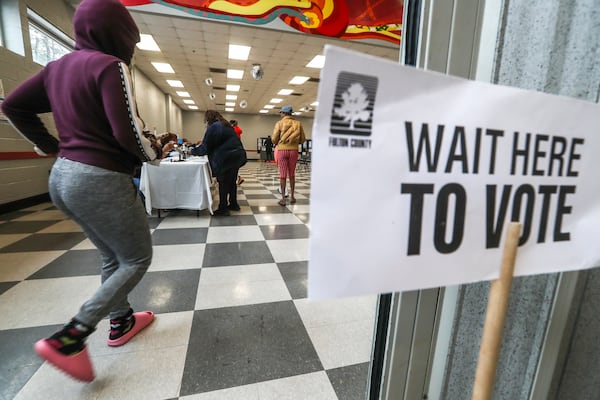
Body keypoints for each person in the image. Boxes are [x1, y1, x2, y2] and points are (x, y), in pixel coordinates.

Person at [0, 0, 161, 382]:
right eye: (130, 40)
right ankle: (72, 335)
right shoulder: (110, 65)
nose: (132, 49)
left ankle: (120, 321)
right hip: (100, 178)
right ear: (116, 34)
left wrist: (50, 146)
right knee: (136, 259)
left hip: (62, 177)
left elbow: (12, 105)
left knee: (111, 254)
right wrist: (153, 154)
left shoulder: (56, 68)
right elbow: (128, 132)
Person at [192, 110, 247, 216]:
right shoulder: (226, 125)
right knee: (231, 181)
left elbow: (205, 147)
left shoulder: (214, 126)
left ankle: (223, 208)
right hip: (237, 156)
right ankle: (233, 204)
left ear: (208, 118)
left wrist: (192, 151)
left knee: (223, 182)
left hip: (226, 158)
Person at [272, 106, 306, 206]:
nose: (280, 115)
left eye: (281, 113)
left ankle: (283, 198)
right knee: (292, 174)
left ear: (283, 113)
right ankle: (292, 197)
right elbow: (303, 139)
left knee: (283, 175)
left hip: (282, 150)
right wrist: (294, 142)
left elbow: (274, 139)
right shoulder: (298, 123)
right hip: (294, 151)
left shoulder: (279, 123)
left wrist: (281, 141)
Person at [230, 120, 245, 185]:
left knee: (232, 165)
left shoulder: (232, 130)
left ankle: (237, 178)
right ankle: (239, 177)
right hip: (238, 149)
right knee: (235, 165)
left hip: (232, 149)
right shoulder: (238, 130)